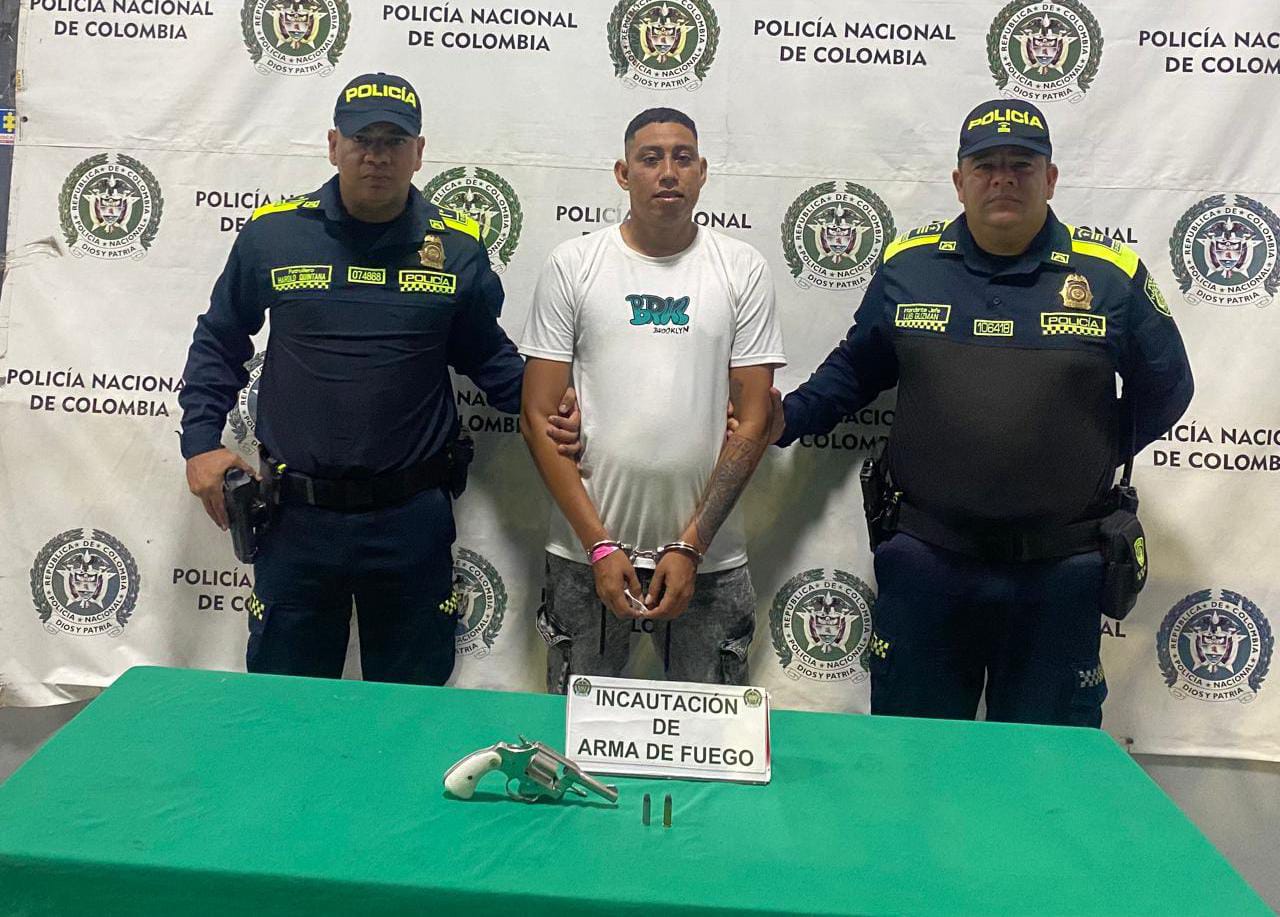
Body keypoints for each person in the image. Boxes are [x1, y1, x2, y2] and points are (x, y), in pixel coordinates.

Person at [771, 99, 1193, 727]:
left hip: (1061, 569)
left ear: (1050, 178)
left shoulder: (1111, 277)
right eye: (986, 165)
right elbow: (857, 370)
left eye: (1021, 165)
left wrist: (1087, 450)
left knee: (1047, 766)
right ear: (959, 180)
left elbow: (1169, 388)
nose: (1003, 179)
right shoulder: (909, 267)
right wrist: (786, 419)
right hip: (927, 563)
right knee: (913, 759)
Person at [179, 72, 577, 685]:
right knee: (286, 705)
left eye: (394, 141)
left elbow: (488, 359)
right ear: (333, 145)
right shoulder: (273, 235)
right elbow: (220, 339)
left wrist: (562, 411)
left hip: (410, 521)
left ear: (418, 153)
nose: (377, 155)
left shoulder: (457, 249)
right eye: (363, 139)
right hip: (295, 520)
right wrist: (200, 442)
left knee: (411, 708)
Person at [520, 108, 786, 693]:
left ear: (702, 172)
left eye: (682, 158)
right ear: (623, 173)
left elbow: (753, 419)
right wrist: (598, 545)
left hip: (709, 558)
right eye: (650, 158)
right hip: (585, 554)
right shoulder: (575, 265)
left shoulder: (741, 268)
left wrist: (691, 545)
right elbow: (538, 418)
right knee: (578, 732)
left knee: (713, 736)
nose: (668, 172)